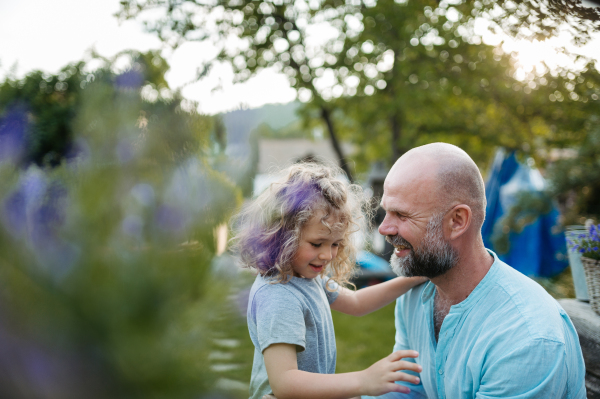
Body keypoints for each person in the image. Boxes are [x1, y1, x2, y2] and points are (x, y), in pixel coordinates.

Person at [370, 142, 586, 398]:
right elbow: (407, 390)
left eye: (401, 215)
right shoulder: (415, 294)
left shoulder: (526, 338)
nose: (384, 228)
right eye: (386, 211)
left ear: (457, 221)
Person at [232, 162, 427, 399]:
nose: (327, 255)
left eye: (335, 244)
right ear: (282, 237)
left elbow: (356, 303)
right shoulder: (278, 295)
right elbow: (284, 383)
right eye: (317, 244)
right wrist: (363, 380)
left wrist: (413, 278)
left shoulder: (307, 277)